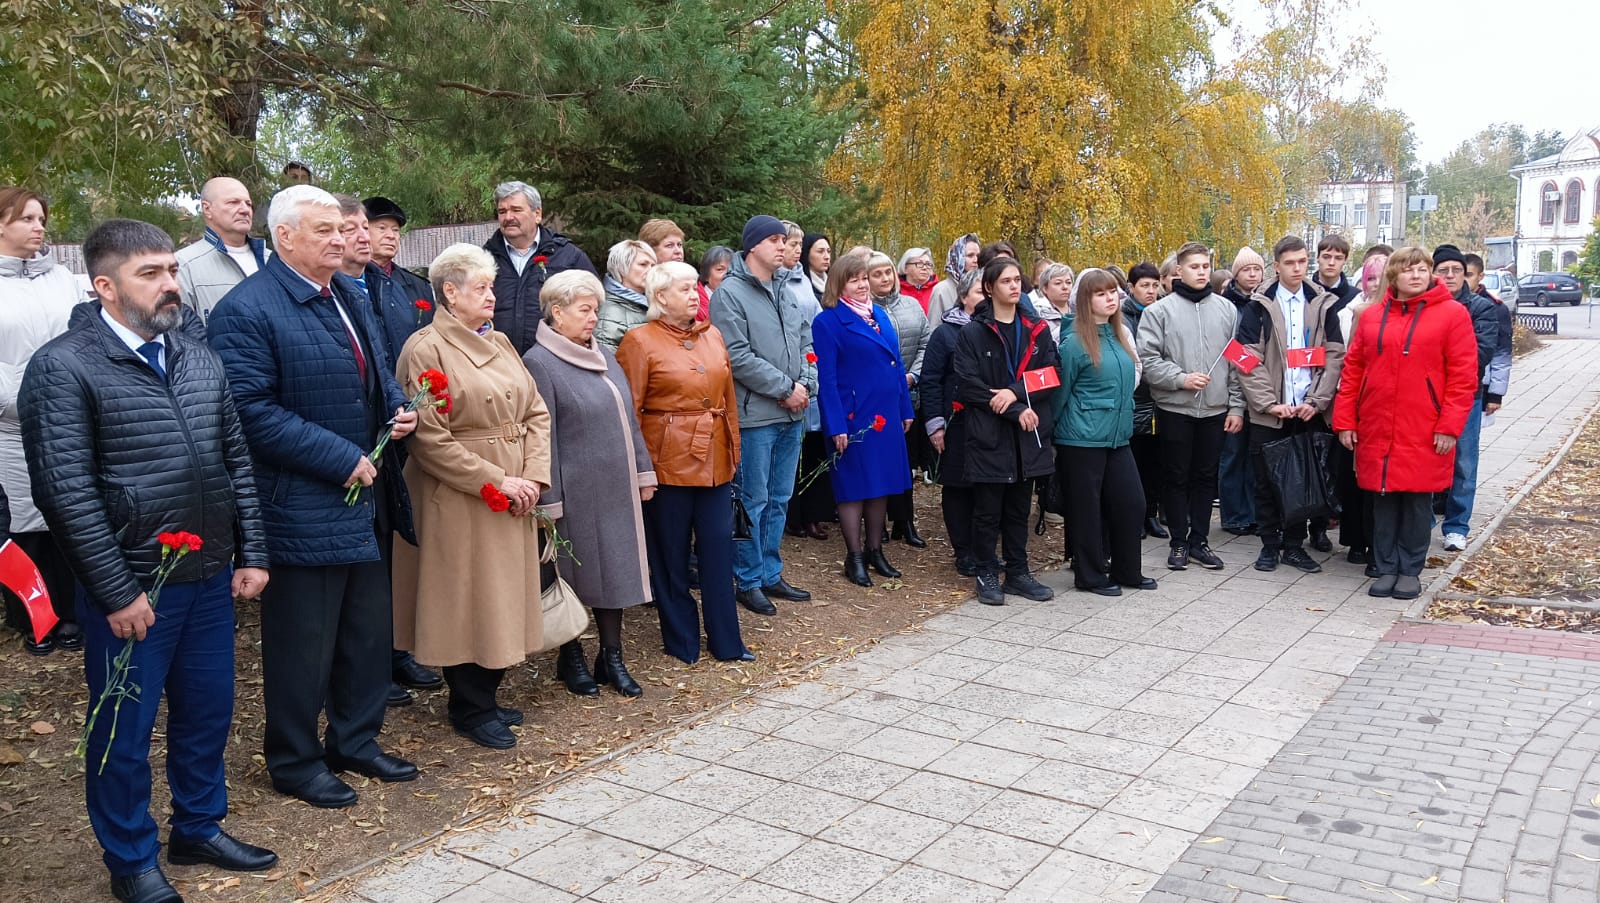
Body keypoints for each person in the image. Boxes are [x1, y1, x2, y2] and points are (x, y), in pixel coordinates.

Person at [22, 219, 277, 903]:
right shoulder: (63, 367)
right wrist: (114, 591)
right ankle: (131, 857)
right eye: (150, 273)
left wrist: (250, 549)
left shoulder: (197, 356)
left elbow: (235, 461)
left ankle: (198, 824)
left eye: (171, 268)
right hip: (133, 591)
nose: (170, 283)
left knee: (207, 712)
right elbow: (65, 493)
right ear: (105, 286)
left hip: (206, 580)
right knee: (124, 731)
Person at [208, 185, 420, 809]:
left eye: (342, 228)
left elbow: (376, 372)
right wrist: (338, 458)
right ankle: (295, 761)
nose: (342, 238)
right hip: (301, 501)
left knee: (364, 630)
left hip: (367, 496)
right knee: (305, 643)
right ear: (285, 238)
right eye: (325, 230)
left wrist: (398, 409)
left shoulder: (349, 294)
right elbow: (247, 411)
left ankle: (355, 740)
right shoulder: (247, 310)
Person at [388, 244, 551, 749]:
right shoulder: (425, 348)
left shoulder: (500, 342)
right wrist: (496, 480)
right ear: (450, 292)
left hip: (515, 485)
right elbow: (429, 439)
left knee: (503, 595)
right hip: (460, 495)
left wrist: (533, 475)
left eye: (492, 286)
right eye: (481, 287)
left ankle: (486, 695)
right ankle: (470, 705)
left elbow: (536, 414)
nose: (492, 296)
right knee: (467, 598)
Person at [523, 271, 656, 696]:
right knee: (573, 574)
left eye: (596, 309)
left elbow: (627, 418)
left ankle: (611, 657)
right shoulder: (539, 362)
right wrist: (551, 501)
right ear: (557, 312)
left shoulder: (604, 355)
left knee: (614, 571)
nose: (594, 318)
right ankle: (572, 656)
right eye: (585, 310)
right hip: (574, 491)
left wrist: (642, 471)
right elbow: (544, 438)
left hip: (615, 488)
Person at [617, 262, 751, 664]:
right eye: (684, 289)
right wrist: (642, 471)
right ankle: (682, 641)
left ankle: (727, 642)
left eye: (695, 287)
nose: (695, 295)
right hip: (667, 467)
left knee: (717, 551)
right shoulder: (638, 342)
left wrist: (733, 453)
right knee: (671, 556)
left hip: (715, 464)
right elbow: (630, 411)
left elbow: (727, 400)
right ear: (660, 297)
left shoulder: (712, 335)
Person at [342, 196, 444, 707]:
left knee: (396, 544)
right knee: (370, 553)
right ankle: (373, 659)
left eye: (381, 228)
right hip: (354, 445)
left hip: (400, 426)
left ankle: (395, 646)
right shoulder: (346, 290)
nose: (374, 236)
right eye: (362, 227)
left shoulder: (404, 285)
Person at [1334, 248, 1478, 600]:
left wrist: (1449, 425)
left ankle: (1410, 569)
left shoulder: (1452, 315)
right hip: (1378, 424)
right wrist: (1345, 420)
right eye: (1408, 269)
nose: (1416, 275)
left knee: (1416, 501)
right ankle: (1385, 568)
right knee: (1382, 500)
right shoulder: (1371, 318)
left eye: (1422, 269)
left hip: (1424, 427)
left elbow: (1463, 377)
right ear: (1393, 276)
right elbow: (1353, 371)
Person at [710, 216, 817, 616]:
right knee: (752, 500)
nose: (782, 246)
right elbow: (736, 356)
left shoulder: (784, 290)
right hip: (756, 416)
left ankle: (771, 572)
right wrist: (785, 389)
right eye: (774, 239)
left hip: (792, 415)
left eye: (784, 240)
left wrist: (807, 383)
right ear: (753, 245)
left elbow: (807, 343)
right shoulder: (730, 294)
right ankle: (748, 578)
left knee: (779, 497)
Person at [0, 186, 82, 655]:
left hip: (66, 416)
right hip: (9, 423)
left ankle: (72, 612)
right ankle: (34, 618)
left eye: (41, 218)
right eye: (27, 218)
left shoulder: (64, 280)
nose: (39, 226)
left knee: (66, 511)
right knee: (21, 519)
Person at [1236, 235, 1346, 573]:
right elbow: (1244, 358)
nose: (1297, 268)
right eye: (1290, 263)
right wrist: (1269, 404)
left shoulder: (1323, 302)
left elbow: (1334, 356)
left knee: (1304, 481)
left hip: (1307, 408)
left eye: (1302, 262)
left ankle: (1295, 546)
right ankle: (1270, 544)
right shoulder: (1259, 305)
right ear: (1277, 265)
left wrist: (1317, 400)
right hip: (1270, 412)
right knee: (1267, 480)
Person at [952, 257, 1058, 605]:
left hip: (1026, 439)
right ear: (989, 288)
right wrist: (1015, 408)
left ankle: (1017, 572)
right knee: (987, 510)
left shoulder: (1035, 329)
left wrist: (1015, 391)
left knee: (1018, 509)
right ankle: (986, 572)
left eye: (1018, 280)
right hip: (990, 435)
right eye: (1006, 281)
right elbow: (968, 385)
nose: (1015, 286)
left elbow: (1052, 374)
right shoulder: (973, 332)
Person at [1136, 242, 1243, 572]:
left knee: (1205, 477)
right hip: (1175, 408)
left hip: (1215, 409)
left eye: (1205, 266)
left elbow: (1238, 362)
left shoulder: (1227, 310)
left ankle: (1200, 540)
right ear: (1179, 271)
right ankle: (1178, 541)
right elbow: (1148, 361)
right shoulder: (1159, 312)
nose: (1201, 272)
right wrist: (1181, 379)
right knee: (1176, 476)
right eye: (1194, 267)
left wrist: (1237, 407)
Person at [1051, 268, 1156, 596]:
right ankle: (1090, 574)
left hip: (1117, 435)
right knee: (1087, 510)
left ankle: (1127, 570)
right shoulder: (1073, 343)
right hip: (1081, 439)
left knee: (1131, 503)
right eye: (1101, 293)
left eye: (1113, 292)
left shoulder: (1119, 334)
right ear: (1085, 299)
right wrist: (1053, 439)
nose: (1111, 298)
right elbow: (1059, 394)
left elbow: (1131, 376)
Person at [815, 253, 915, 585]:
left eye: (864, 279)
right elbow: (826, 380)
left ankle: (876, 550)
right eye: (854, 279)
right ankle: (854, 556)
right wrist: (836, 425)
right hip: (854, 416)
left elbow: (897, 364)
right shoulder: (828, 321)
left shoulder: (880, 315)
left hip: (886, 415)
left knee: (880, 484)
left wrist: (905, 408)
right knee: (853, 487)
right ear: (839, 284)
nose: (861, 285)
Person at [1433, 244, 1500, 553]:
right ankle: (1423, 520)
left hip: (1466, 396)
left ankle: (1457, 526)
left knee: (1464, 461)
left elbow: (1480, 353)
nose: (1450, 276)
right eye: (1443, 270)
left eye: (1456, 270)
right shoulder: (1423, 306)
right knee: (1427, 458)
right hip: (1426, 396)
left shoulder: (1481, 308)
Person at [483, 181, 598, 354]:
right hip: (498, 362)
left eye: (516, 210)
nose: (508, 217)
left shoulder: (568, 257)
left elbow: (594, 307)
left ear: (537, 214)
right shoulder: (483, 259)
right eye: (502, 211)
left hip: (555, 361)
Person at [867, 251, 931, 549]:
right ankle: (875, 523)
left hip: (908, 394)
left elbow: (925, 344)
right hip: (876, 399)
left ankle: (905, 521)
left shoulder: (912, 305)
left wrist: (912, 376)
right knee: (877, 463)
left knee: (905, 461)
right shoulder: (863, 311)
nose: (884, 278)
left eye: (887, 272)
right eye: (876, 274)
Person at [921, 270, 983, 575]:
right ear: (963, 297)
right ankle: (964, 550)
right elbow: (930, 381)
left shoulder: (999, 329)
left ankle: (984, 547)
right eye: (978, 292)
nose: (983, 297)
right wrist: (935, 423)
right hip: (956, 420)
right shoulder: (945, 334)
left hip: (991, 424)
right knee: (959, 487)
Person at [1332, 256, 1386, 572]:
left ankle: (1377, 542)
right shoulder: (1347, 313)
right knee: (1350, 477)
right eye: (1370, 278)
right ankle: (1355, 540)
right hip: (1351, 400)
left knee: (1377, 482)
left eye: (1381, 278)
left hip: (1380, 405)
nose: (1375, 284)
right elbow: (1344, 363)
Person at [176, 177, 270, 326]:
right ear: (207, 209)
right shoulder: (183, 264)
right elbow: (178, 333)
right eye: (233, 202)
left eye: (248, 204)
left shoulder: (273, 260)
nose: (245, 210)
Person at [1121, 262, 1166, 539]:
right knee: (1133, 463)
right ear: (1131, 288)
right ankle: (1134, 517)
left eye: (1154, 285)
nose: (1151, 291)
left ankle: (1151, 514)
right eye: (1144, 286)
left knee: (1155, 463)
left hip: (1159, 399)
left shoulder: (1162, 313)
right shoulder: (1124, 317)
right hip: (1135, 398)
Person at [363, 196, 436, 360]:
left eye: (395, 230)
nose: (391, 236)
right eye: (382, 228)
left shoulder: (418, 285)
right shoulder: (351, 282)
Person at [1466, 253, 1514, 419]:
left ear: (1480, 276)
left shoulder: (1495, 307)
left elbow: (1502, 353)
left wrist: (1496, 394)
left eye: (1469, 275)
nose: (1464, 279)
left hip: (1483, 385)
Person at [596, 239, 658, 352]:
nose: (650, 270)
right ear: (622, 268)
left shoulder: (654, 302)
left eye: (653, 265)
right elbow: (607, 362)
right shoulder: (609, 313)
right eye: (643, 264)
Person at [926, 232, 980, 323]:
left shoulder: (985, 287)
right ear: (957, 257)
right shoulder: (941, 290)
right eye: (970, 255)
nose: (976, 260)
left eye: (978, 256)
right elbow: (934, 328)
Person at [1034, 262, 1076, 345]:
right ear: (1045, 288)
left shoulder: (1078, 309)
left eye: (1068, 282)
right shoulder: (1036, 312)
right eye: (1058, 283)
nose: (1065, 287)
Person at [696, 245, 734, 322]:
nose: (727, 274)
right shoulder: (695, 302)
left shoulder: (739, 298)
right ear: (706, 274)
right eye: (720, 269)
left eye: (731, 269)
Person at [897, 247, 938, 313]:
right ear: (905, 268)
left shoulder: (938, 290)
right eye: (919, 263)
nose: (924, 267)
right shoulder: (894, 290)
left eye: (928, 264)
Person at [799, 232, 831, 301]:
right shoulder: (800, 287)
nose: (827, 257)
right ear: (807, 254)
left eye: (828, 251)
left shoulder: (837, 285)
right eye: (820, 251)